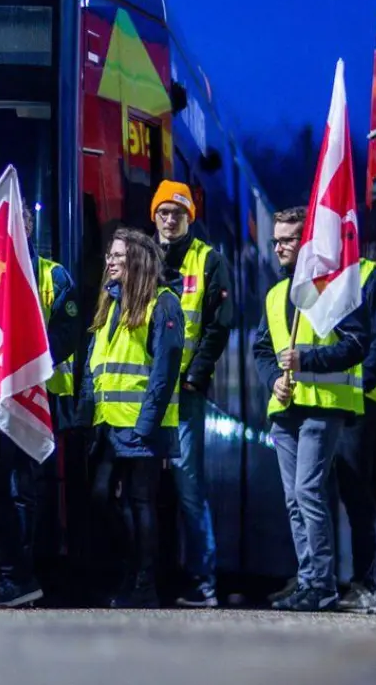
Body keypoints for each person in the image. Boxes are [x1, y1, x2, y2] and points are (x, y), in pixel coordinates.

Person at [254, 207, 367, 613]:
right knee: (294, 498)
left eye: (288, 239)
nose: (280, 246)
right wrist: (274, 379)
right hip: (285, 408)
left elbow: (356, 345)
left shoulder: (336, 289)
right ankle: (309, 582)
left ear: (307, 242)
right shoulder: (273, 294)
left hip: (324, 405)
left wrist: (307, 359)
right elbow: (262, 350)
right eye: (277, 240)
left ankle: (321, 584)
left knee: (307, 491)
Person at [0, 206, 78, 608]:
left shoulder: (53, 275)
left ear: (28, 228)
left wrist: (27, 362)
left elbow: (67, 333)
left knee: (23, 490)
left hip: (37, 395)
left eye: (21, 221)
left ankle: (21, 576)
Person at [84, 227, 183, 609]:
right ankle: (127, 572)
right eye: (110, 255)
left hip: (142, 426)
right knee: (101, 499)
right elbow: (98, 364)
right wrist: (86, 414)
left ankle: (144, 584)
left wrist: (146, 426)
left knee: (140, 504)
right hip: (108, 425)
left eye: (119, 256)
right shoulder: (111, 302)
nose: (109, 261)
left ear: (138, 261)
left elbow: (164, 371)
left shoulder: (163, 303)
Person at [151, 180, 230, 608]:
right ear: (154, 215)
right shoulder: (141, 256)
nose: (169, 219)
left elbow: (218, 327)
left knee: (188, 488)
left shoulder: (209, 259)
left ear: (189, 218)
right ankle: (145, 580)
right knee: (141, 491)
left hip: (183, 395)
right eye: (163, 212)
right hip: (141, 397)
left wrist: (195, 378)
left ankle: (202, 583)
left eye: (177, 213)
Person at [331, 253, 376, 614]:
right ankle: (316, 578)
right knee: (311, 494)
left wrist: (358, 392)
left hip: (357, 404)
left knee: (356, 495)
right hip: (318, 401)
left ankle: (364, 585)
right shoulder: (313, 268)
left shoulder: (370, 276)